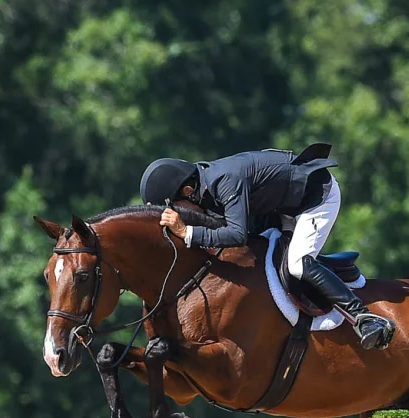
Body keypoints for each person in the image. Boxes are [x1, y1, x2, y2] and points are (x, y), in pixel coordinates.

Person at [139, 146, 395, 350]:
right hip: (280, 205)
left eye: (176, 207)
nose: (178, 214)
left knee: (297, 264)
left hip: (315, 197)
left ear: (187, 190)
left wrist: (187, 233)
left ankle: (364, 318)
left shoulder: (225, 180)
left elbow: (236, 234)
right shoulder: (202, 186)